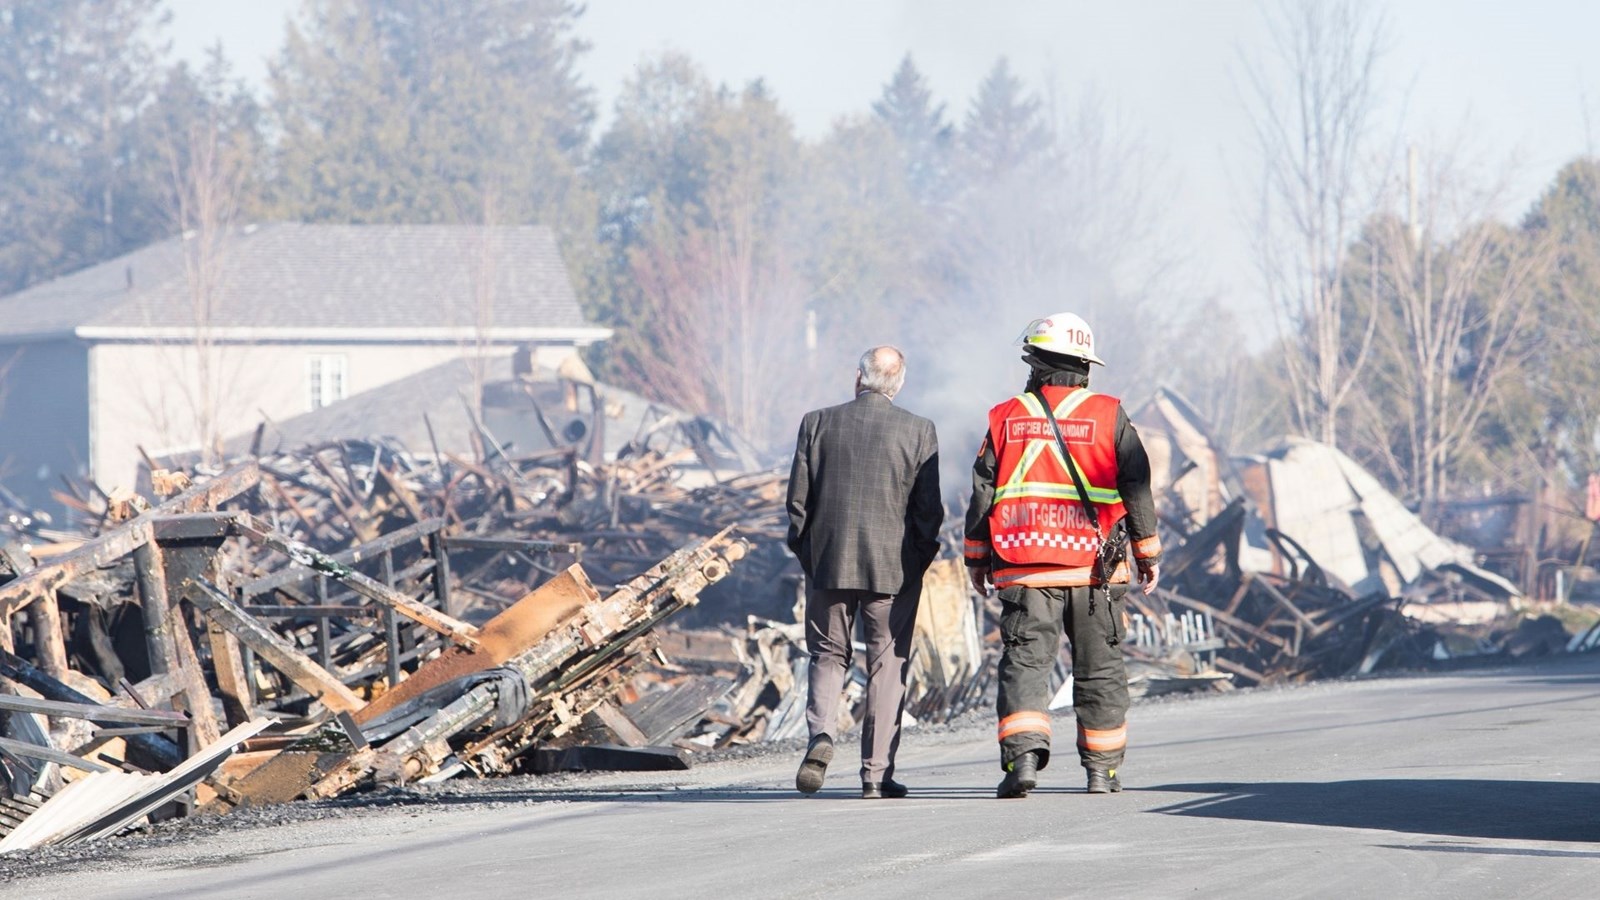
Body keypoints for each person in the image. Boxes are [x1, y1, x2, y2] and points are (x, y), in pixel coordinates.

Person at [964, 313, 1162, 799]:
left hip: (1025, 569)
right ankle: (1102, 771)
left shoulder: (1005, 416)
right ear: (1085, 367)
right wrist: (1147, 552)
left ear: (1035, 363)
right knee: (1101, 670)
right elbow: (1136, 487)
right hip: (1096, 572)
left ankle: (1023, 760)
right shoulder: (1109, 414)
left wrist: (976, 557)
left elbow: (983, 492)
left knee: (1026, 666)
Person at [786, 345, 942, 799]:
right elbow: (928, 513)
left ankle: (821, 735)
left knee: (827, 654)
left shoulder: (816, 423)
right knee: (886, 665)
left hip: (828, 563)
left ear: (858, 377)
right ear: (899, 384)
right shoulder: (919, 430)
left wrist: (812, 557)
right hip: (892, 570)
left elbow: (797, 505)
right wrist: (915, 563)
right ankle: (875, 774)